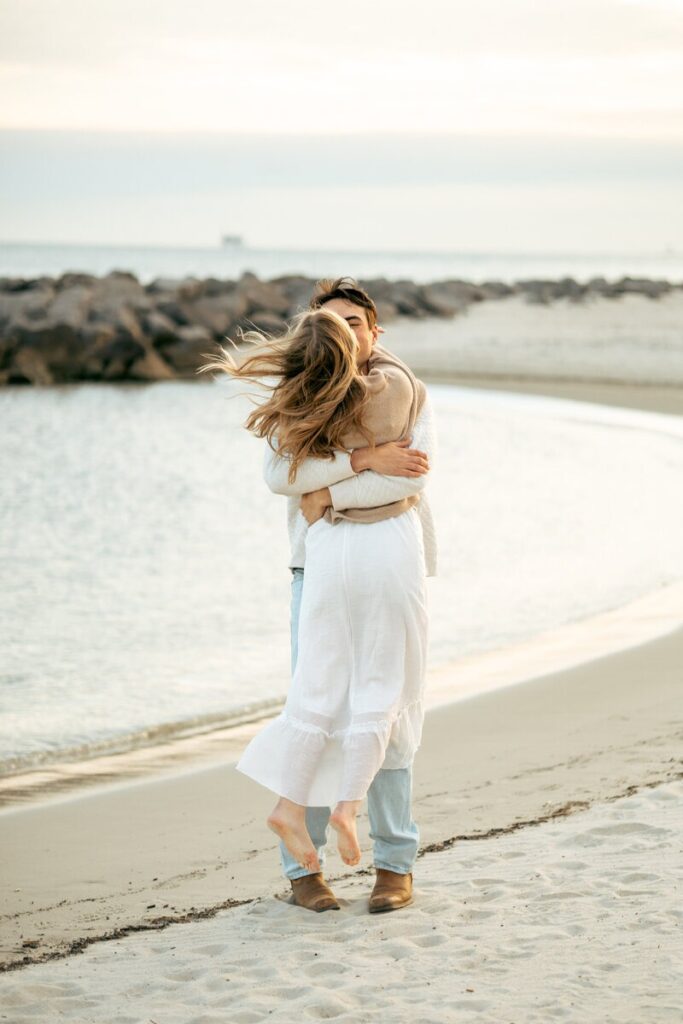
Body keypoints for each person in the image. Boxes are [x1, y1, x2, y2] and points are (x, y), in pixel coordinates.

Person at [201, 278, 437, 914]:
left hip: (390, 565)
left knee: (391, 714)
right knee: (318, 705)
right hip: (317, 572)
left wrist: (328, 494)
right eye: (331, 323)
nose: (344, 332)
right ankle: (303, 872)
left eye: (354, 322)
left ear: (374, 331)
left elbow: (410, 478)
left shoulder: (406, 390)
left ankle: (394, 864)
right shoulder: (299, 392)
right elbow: (281, 476)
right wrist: (362, 462)